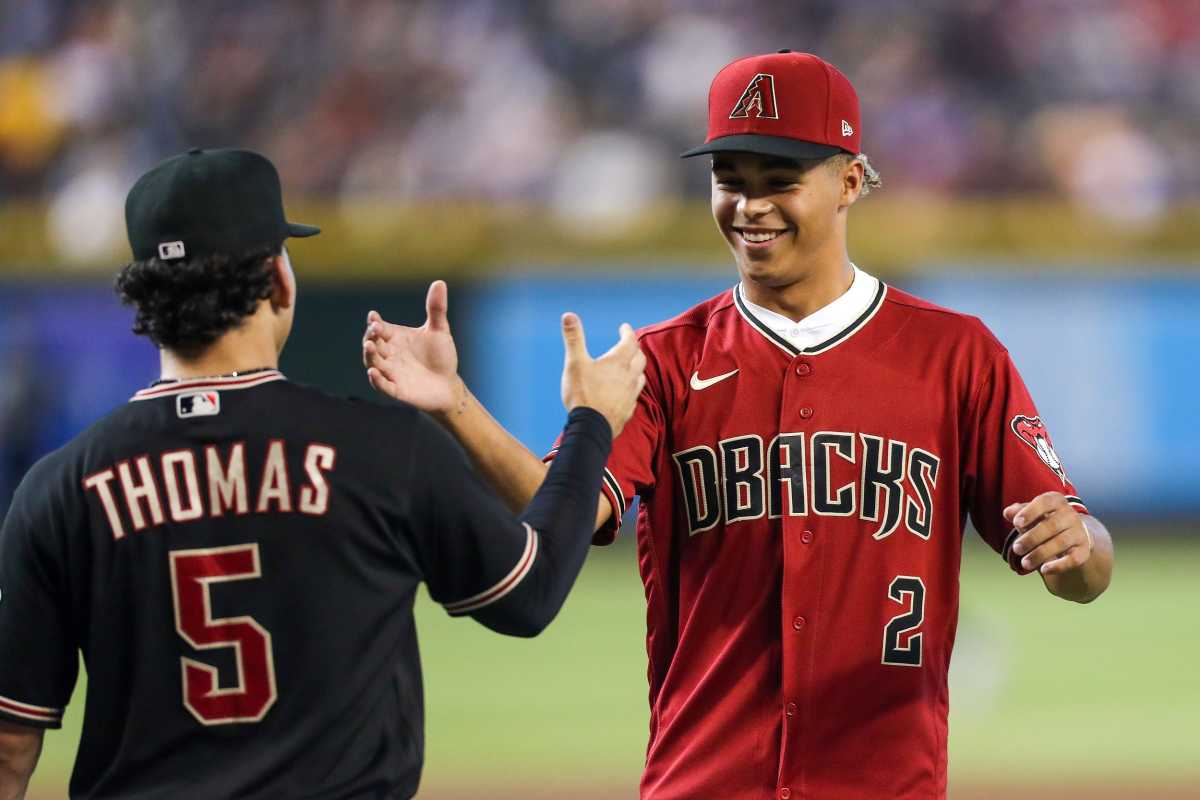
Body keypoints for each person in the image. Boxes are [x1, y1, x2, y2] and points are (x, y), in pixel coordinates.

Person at [361, 51, 1115, 800]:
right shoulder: (661, 360)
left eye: (779, 181)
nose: (750, 207)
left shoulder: (956, 356)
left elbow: (1084, 567)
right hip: (702, 782)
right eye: (731, 181)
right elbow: (560, 513)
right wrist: (455, 403)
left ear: (851, 180)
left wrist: (1078, 546)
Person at [0, 148, 646, 799]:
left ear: (143, 296)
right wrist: (591, 422)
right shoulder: (381, 449)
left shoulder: (57, 490)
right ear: (278, 279)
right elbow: (529, 594)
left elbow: (9, 745)